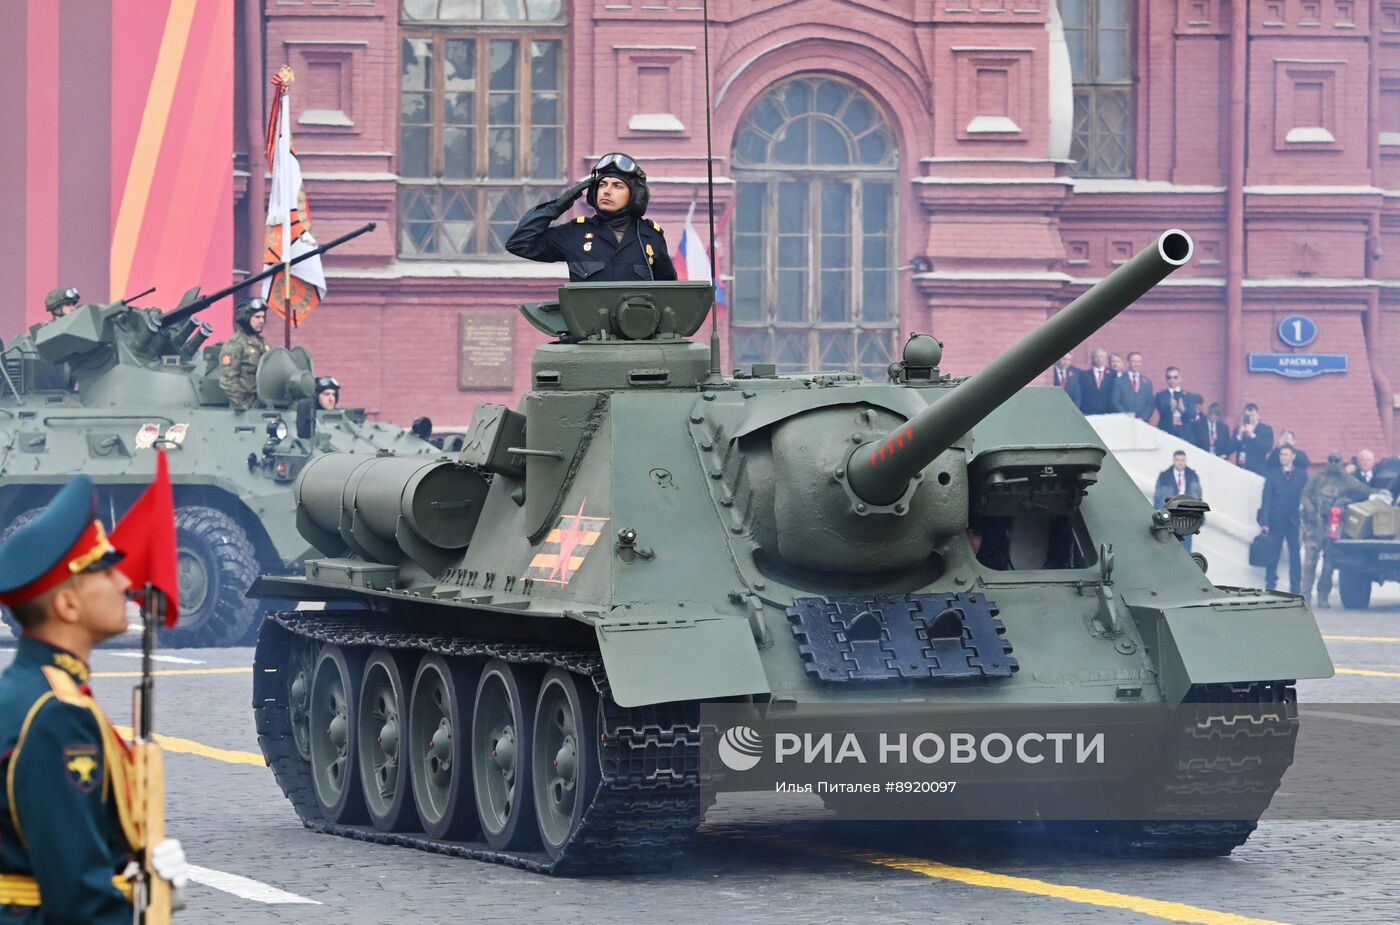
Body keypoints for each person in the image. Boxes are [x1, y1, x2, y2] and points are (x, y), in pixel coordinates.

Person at [0, 476, 187, 922]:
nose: (123, 581)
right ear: (67, 605)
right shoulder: (57, 716)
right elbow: (79, 898)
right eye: (103, 571)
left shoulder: (30, 691)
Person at [506, 152, 676, 282]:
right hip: (588, 328)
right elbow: (519, 243)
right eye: (602, 185)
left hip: (638, 328)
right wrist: (560, 204)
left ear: (636, 196)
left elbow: (670, 294)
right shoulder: (575, 234)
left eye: (617, 186)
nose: (607, 191)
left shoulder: (650, 237)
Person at [1300, 451, 1368, 608]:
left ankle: (1323, 597)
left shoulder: (1345, 479)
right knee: (1309, 562)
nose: (1333, 463)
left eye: (1336, 460)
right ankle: (1305, 597)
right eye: (1330, 460)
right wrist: (1310, 510)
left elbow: (1364, 491)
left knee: (1329, 564)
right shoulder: (1317, 477)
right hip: (1314, 524)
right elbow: (1304, 495)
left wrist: (1346, 501)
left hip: (1332, 526)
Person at [1259, 445, 1308, 593]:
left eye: (1286, 455)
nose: (1283, 457)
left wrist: (1304, 520)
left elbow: (1306, 498)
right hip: (1276, 520)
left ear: (1293, 457)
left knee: (1295, 555)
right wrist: (1265, 522)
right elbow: (1266, 498)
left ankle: (1295, 586)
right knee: (1273, 553)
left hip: (1294, 521)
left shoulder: (1302, 474)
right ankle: (1270, 582)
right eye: (1281, 455)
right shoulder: (1272, 474)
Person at [219, 297, 270, 411]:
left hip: (264, 405)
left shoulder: (263, 343)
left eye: (263, 317)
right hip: (243, 409)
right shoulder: (235, 344)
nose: (261, 321)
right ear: (245, 318)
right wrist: (242, 404)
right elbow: (227, 381)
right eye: (257, 317)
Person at [1153, 450, 1204, 551]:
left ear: (1186, 461)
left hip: (1187, 518)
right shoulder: (1164, 476)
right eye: (1178, 460)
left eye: (1183, 460)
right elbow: (1157, 498)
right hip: (1169, 518)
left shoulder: (1193, 476)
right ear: (1173, 460)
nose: (1180, 462)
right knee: (1168, 547)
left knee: (1185, 549)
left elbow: (1198, 497)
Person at [1152, 367, 1200, 440]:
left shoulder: (1189, 395)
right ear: (1166, 379)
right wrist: (1171, 408)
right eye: (1169, 377)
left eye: (1175, 377)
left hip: (1185, 433)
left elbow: (1192, 414)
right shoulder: (1160, 395)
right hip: (1167, 431)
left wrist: (1183, 409)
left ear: (1180, 378)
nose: (1172, 380)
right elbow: (1161, 412)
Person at [1071, 347, 1116, 415]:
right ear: (1092, 358)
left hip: (1108, 412)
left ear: (1106, 359)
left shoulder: (1113, 374)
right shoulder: (1084, 375)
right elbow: (1080, 394)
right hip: (1088, 412)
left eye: (1101, 356)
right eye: (1096, 356)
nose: (1099, 359)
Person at [1232, 403, 1274, 474]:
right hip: (1241, 469)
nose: (1249, 418)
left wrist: (1253, 435)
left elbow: (1267, 448)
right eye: (1247, 416)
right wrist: (1239, 436)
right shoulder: (1239, 429)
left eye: (1252, 415)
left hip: (1257, 470)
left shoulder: (1265, 429)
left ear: (1258, 416)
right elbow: (1230, 449)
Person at [1111, 351, 1154, 420]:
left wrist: (1143, 418)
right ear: (1128, 362)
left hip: (1142, 423)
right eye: (1134, 361)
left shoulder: (1147, 382)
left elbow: (1150, 404)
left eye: (1139, 362)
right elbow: (1115, 402)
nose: (1136, 364)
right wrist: (1127, 416)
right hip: (1124, 421)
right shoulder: (1119, 381)